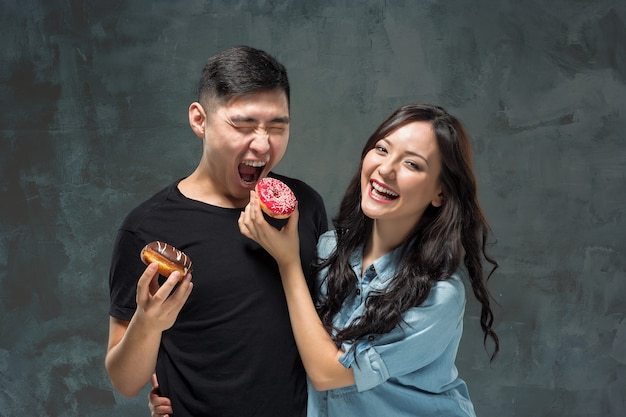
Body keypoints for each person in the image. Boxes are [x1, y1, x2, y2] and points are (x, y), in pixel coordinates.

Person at [236, 103, 500, 416]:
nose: (385, 169)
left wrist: (288, 262)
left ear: (439, 194)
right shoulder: (329, 250)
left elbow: (327, 375)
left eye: (412, 164)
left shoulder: (438, 296)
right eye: (382, 149)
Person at [105, 45, 328, 417]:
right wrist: (148, 323)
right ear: (200, 120)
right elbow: (125, 381)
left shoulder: (304, 206)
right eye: (242, 125)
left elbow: (331, 331)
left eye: (277, 127)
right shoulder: (147, 229)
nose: (263, 143)